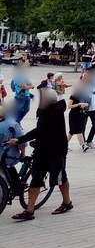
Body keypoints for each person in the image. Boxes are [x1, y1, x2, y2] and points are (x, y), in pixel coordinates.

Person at [7, 88, 73, 220]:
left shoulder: (55, 112)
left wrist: (19, 140)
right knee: (36, 179)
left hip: (56, 151)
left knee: (60, 178)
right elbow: (42, 131)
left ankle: (67, 202)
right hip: (41, 150)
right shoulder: (44, 110)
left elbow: (40, 130)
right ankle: (29, 210)